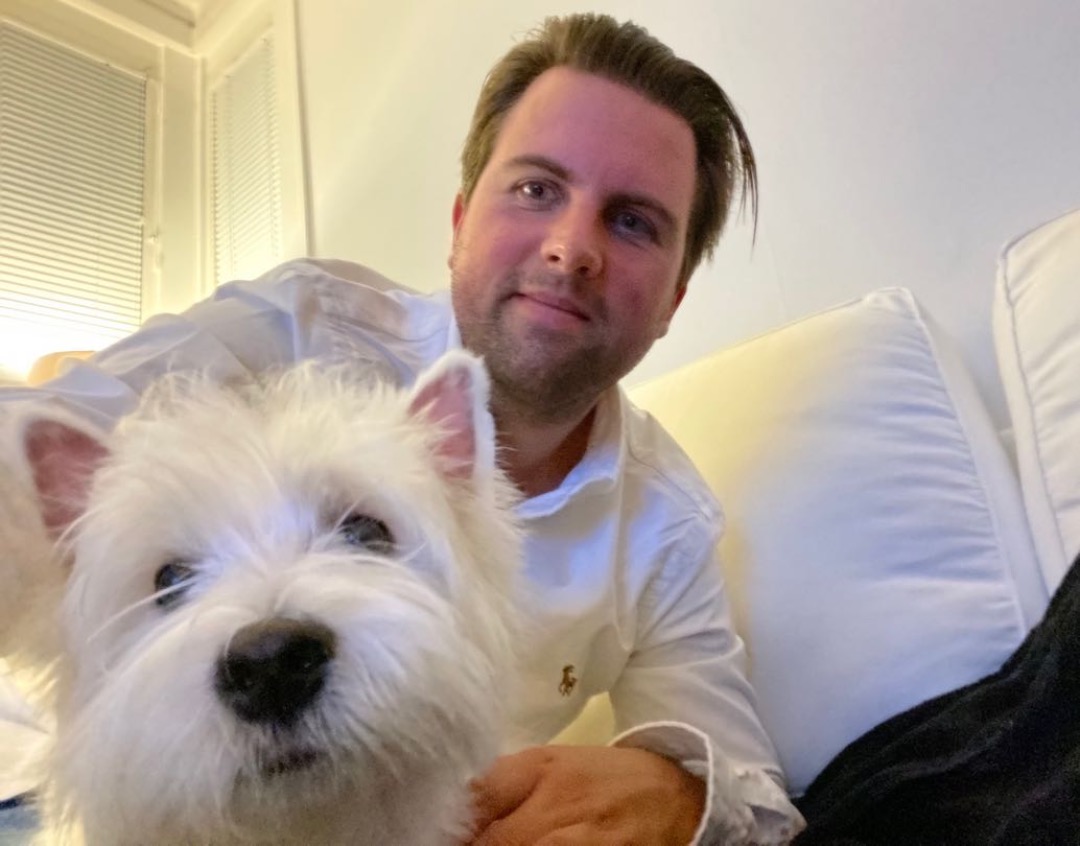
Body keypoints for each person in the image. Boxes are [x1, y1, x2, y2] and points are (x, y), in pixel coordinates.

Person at [0, 13, 803, 845]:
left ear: (673, 301)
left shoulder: (670, 522)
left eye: (633, 220)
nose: (571, 249)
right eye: (537, 189)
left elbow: (754, 795)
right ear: (459, 222)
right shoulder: (296, 325)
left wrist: (679, 793)